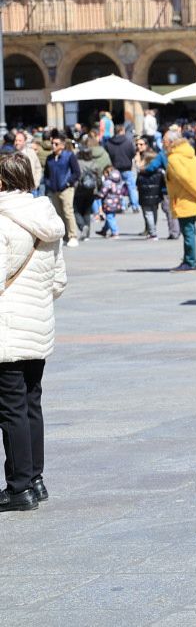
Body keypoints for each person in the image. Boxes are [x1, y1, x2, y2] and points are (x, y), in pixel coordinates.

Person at [0, 151, 67, 512]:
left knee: (10, 408)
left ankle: (18, 487)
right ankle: (35, 480)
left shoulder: (2, 221)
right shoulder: (47, 218)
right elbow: (59, 282)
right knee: (30, 403)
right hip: (38, 324)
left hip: (6, 327)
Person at [163, 133, 196, 273]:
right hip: (190, 199)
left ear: (171, 142)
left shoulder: (174, 159)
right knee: (190, 230)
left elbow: (186, 179)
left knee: (188, 232)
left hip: (184, 200)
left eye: (165, 141)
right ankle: (188, 258)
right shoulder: (190, 155)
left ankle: (190, 262)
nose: (163, 143)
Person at [42, 135, 81, 248]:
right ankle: (64, 236)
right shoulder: (50, 158)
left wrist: (68, 183)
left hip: (66, 189)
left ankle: (73, 236)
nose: (53, 146)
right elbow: (46, 174)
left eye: (56, 144)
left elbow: (76, 172)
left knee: (68, 211)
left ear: (62, 145)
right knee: (58, 214)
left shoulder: (69, 156)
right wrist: (49, 184)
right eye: (52, 143)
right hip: (54, 189)